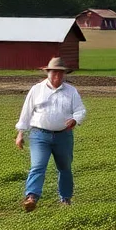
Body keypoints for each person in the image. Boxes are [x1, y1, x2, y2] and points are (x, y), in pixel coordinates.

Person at [15, 57, 86, 211]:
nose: (57, 77)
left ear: (65, 74)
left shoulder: (71, 91)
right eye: (54, 73)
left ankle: (65, 198)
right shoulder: (37, 90)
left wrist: (75, 119)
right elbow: (26, 113)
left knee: (65, 167)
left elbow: (80, 110)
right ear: (48, 73)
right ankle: (31, 197)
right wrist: (20, 133)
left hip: (63, 136)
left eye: (61, 74)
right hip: (39, 135)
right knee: (38, 165)